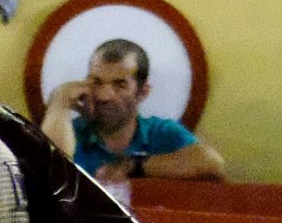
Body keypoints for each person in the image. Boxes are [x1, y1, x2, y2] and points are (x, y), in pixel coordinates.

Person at [40, 38, 225, 182]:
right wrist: (59, 104)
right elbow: (45, 175)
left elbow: (212, 163)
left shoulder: (159, 132)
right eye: (96, 82)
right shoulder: (69, 132)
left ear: (142, 93)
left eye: (119, 85)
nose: (104, 95)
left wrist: (133, 167)